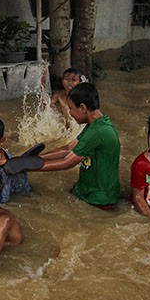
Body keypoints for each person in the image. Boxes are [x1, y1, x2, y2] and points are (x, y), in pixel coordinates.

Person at [29, 82, 121, 210]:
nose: (70, 113)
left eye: (71, 108)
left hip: (98, 200)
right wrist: (36, 159)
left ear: (83, 108)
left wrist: (28, 167)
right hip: (84, 191)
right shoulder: (96, 123)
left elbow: (67, 162)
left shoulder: (98, 131)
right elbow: (68, 149)